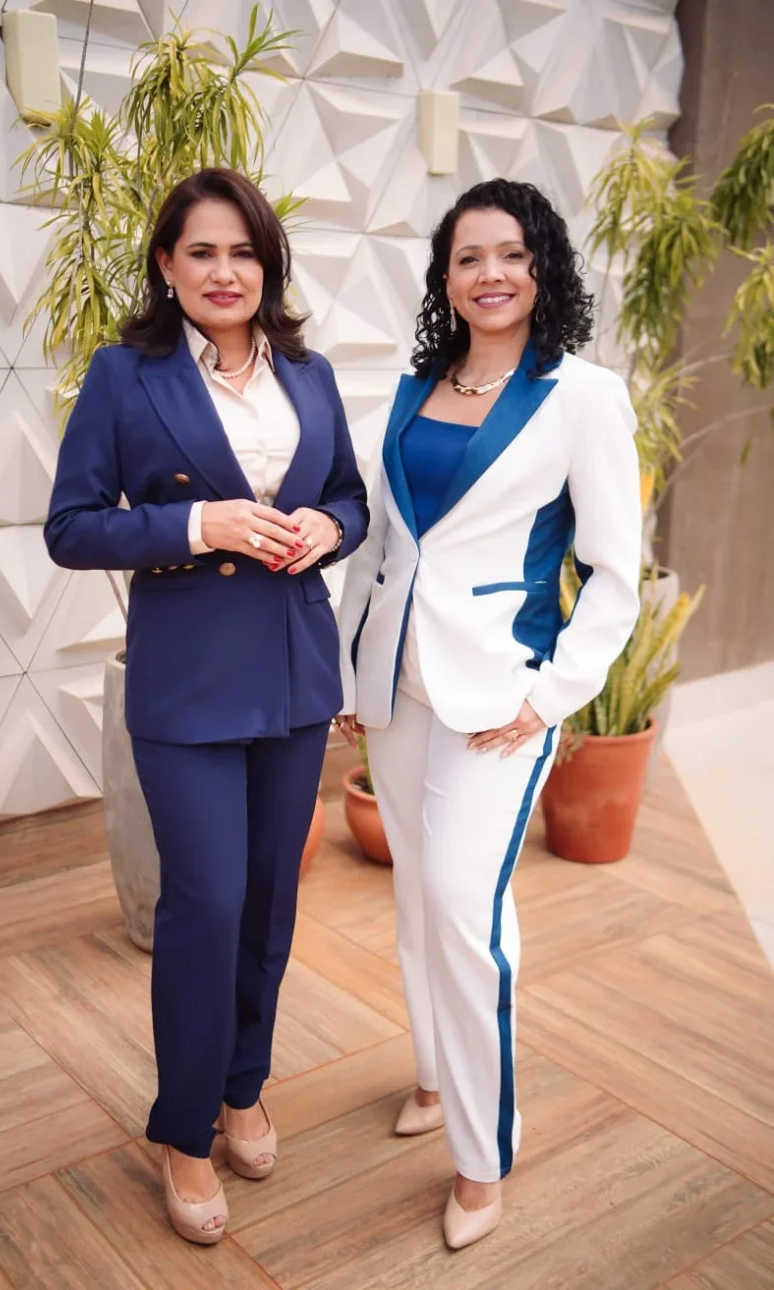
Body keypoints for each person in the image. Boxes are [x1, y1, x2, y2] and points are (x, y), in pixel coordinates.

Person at [45, 168, 368, 1245]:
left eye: (243, 252)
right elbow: (72, 527)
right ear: (166, 265)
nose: (224, 272)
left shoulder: (310, 374)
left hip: (292, 672)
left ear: (267, 263)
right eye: (201, 252)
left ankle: (242, 1088)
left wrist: (328, 528)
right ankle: (184, 1131)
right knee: (207, 904)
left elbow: (350, 497)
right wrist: (199, 527)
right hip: (185, 682)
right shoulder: (124, 376)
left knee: (269, 904)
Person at [336, 179, 641, 1251]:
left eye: (510, 253)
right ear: (445, 279)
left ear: (541, 266)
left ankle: (481, 1157)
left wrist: (546, 696)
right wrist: (353, 673)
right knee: (416, 901)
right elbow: (383, 549)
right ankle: (433, 1076)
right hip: (399, 691)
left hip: (499, 703)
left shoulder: (581, 397)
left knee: (466, 914)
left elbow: (614, 575)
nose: (490, 274)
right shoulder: (413, 389)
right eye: (467, 258)